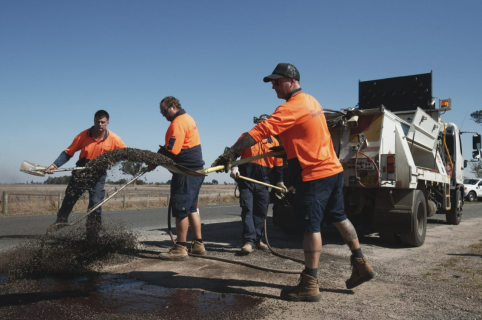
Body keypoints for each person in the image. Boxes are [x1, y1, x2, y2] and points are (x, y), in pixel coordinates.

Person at [212, 63, 375, 302]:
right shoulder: (312, 101)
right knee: (339, 218)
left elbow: (260, 131)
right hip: (332, 170)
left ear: (290, 80)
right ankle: (361, 263)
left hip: (315, 175)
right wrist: (285, 149)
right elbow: (303, 135)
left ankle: (310, 283)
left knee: (311, 227)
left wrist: (231, 152)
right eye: (272, 83)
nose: (274, 86)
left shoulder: (291, 107)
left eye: (277, 82)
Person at [46, 110, 126, 237]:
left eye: (103, 122)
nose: (100, 124)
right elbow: (68, 152)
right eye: (97, 122)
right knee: (69, 197)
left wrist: (112, 160)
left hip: (98, 174)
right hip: (81, 171)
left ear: (107, 123)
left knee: (95, 203)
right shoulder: (83, 135)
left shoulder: (114, 138)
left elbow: (124, 152)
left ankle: (92, 233)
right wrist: (54, 165)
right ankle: (60, 221)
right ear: (93, 122)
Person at [148, 96, 206, 261]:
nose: (163, 115)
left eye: (164, 111)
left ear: (173, 107)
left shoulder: (178, 122)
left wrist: (155, 160)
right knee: (192, 208)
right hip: (195, 172)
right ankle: (198, 244)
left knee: (181, 209)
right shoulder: (188, 118)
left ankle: (180, 247)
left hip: (185, 172)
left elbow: (172, 150)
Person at [230, 114, 286, 254]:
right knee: (247, 210)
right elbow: (232, 153)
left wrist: (280, 181)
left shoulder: (274, 143)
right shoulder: (247, 138)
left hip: (263, 182)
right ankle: (248, 241)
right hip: (247, 180)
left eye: (265, 124)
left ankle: (257, 239)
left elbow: (278, 165)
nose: (262, 127)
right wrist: (234, 167)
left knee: (261, 212)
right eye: (260, 124)